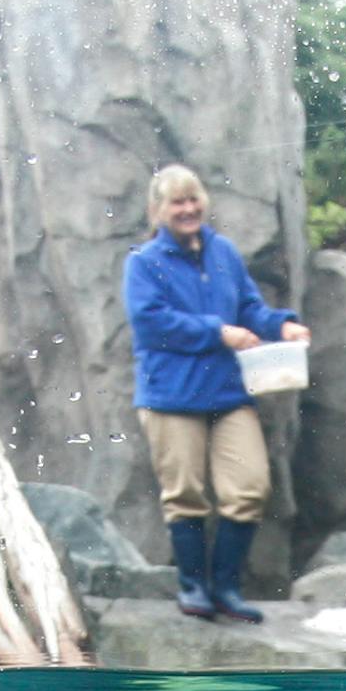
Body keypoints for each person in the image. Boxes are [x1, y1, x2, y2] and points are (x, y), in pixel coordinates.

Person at [122, 164, 311, 621]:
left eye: (193, 200)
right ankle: (194, 588)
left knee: (249, 487)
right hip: (171, 396)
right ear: (157, 210)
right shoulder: (143, 263)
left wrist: (280, 325)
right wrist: (218, 332)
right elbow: (151, 322)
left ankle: (226, 588)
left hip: (227, 393)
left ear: (204, 202)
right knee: (184, 493)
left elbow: (248, 307)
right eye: (177, 202)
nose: (188, 209)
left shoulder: (223, 251)